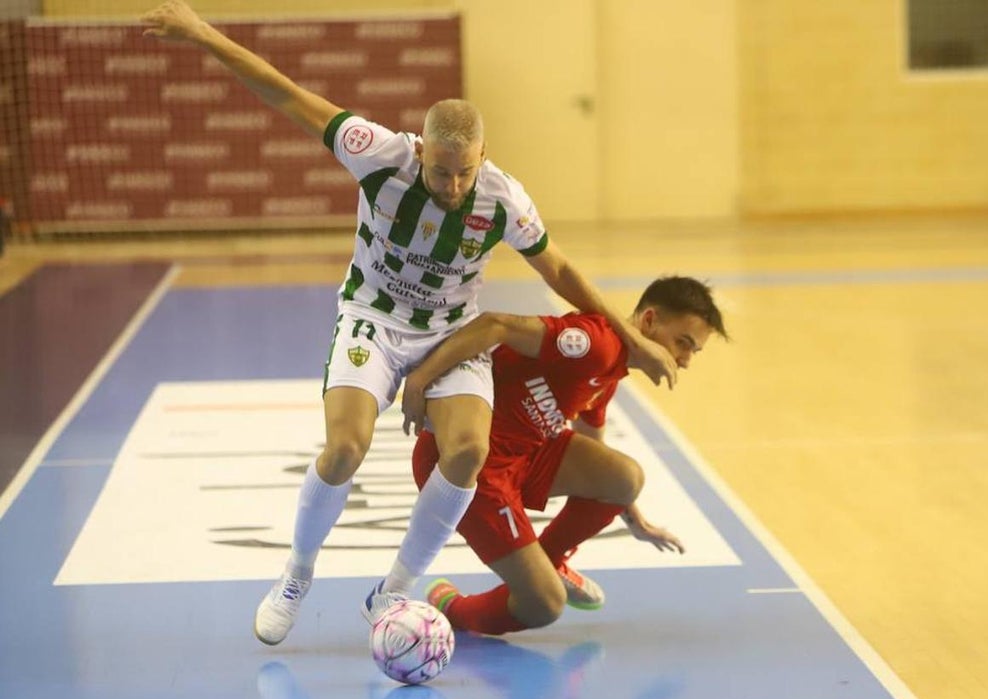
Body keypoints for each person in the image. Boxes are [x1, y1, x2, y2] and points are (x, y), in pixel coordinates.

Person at [140, 1, 677, 646]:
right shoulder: (378, 153)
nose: (452, 185)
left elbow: (559, 271)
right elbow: (284, 93)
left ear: (484, 157)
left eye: (465, 172)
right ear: (422, 150)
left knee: (469, 450)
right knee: (345, 449)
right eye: (441, 170)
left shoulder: (504, 199)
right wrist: (201, 33)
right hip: (372, 317)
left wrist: (633, 340)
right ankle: (296, 575)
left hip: (449, 330)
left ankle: (393, 589)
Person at [398, 276, 727, 635]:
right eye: (682, 343)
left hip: (522, 457)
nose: (685, 361)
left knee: (626, 477)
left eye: (694, 351)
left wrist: (634, 518)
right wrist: (420, 379)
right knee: (545, 604)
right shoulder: (595, 345)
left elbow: (595, 450)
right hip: (469, 467)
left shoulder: (611, 371)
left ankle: (549, 561)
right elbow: (496, 325)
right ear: (649, 320)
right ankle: (452, 608)